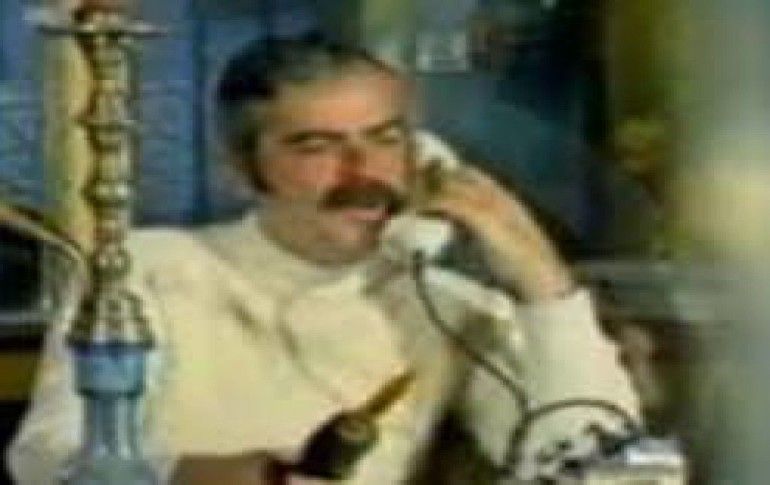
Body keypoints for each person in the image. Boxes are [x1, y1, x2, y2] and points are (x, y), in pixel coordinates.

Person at [8, 38, 638, 484]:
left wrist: (540, 277)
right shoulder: (146, 270)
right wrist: (223, 477)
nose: (364, 173)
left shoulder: (447, 306)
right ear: (238, 171)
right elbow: (46, 460)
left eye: (386, 139)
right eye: (317, 147)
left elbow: (593, 468)